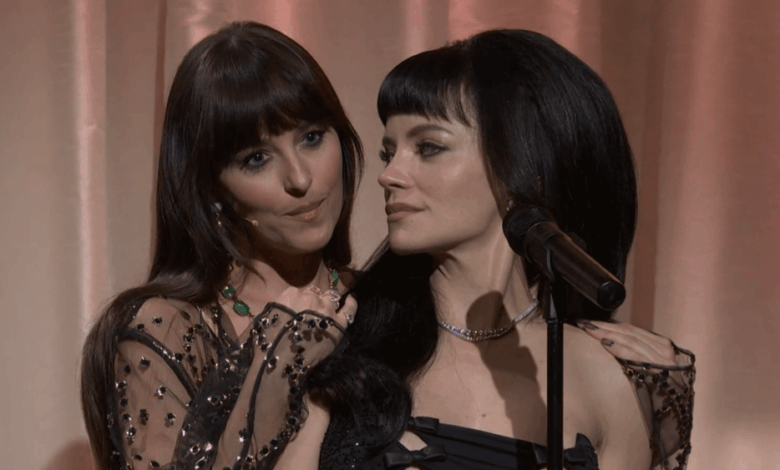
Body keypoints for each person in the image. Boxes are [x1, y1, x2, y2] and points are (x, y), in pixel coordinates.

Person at [311, 29, 695, 470]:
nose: (389, 175)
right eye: (388, 153)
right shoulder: (341, 335)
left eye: (428, 147)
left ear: (525, 169)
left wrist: (667, 420)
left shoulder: (607, 375)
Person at [80, 21, 361, 470]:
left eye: (311, 137)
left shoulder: (390, 301)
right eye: (257, 159)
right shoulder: (164, 330)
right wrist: (278, 362)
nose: (300, 178)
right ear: (213, 189)